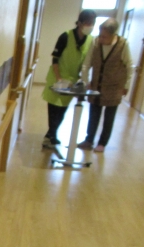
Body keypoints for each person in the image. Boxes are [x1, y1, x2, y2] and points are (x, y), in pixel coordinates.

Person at [42, 9, 97, 149]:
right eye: (88, 23)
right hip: (57, 78)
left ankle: (50, 135)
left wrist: (83, 80)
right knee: (54, 108)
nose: (90, 26)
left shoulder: (90, 40)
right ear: (80, 23)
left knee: (62, 110)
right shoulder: (65, 36)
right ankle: (51, 135)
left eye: (92, 23)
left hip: (72, 81)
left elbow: (87, 63)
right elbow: (55, 59)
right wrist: (59, 78)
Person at [77, 18, 133, 153]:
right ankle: (89, 139)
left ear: (113, 35)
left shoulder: (123, 45)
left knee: (109, 116)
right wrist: (85, 81)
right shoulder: (95, 43)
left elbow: (129, 66)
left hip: (115, 86)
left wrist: (126, 85)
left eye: (104, 36)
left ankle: (102, 143)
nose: (101, 39)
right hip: (96, 85)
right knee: (93, 114)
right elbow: (86, 63)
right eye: (100, 35)